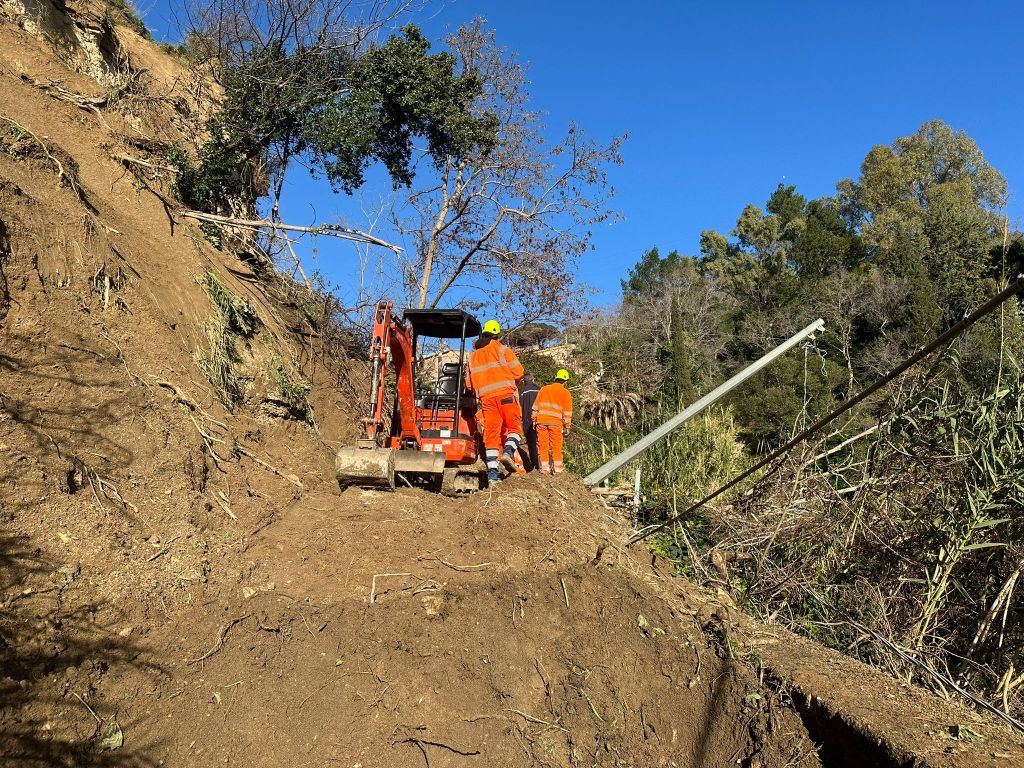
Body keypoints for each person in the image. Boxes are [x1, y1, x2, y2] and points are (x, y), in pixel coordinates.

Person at [465, 319, 525, 483]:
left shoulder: (473, 357)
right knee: (515, 429)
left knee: (491, 436)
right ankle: (508, 452)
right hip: (506, 396)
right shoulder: (502, 349)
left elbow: (469, 385)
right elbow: (519, 372)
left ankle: (493, 475)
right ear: (497, 335)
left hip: (486, 401)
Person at [532, 369, 573, 475]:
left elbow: (535, 406)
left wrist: (534, 419)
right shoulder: (566, 393)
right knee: (556, 446)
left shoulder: (544, 389)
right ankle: (558, 469)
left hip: (541, 421)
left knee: (542, 445)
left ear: (555, 378)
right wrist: (567, 426)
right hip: (555, 423)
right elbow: (567, 412)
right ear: (565, 381)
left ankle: (545, 469)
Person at [518, 373, 540, 471]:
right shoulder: (540, 390)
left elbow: (519, 407)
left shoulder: (521, 391)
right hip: (540, 420)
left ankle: (535, 465)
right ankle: (544, 465)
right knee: (541, 443)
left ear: (524, 381)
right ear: (533, 380)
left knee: (531, 444)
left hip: (528, 421)